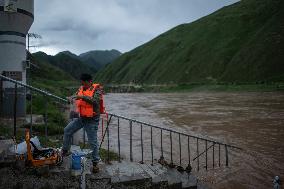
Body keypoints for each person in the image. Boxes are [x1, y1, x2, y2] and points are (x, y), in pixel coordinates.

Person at [62, 73, 102, 173]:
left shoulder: (97, 90)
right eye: (82, 83)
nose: (83, 85)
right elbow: (75, 96)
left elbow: (95, 101)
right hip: (82, 118)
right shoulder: (81, 88)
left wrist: (81, 97)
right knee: (67, 130)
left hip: (92, 120)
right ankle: (64, 151)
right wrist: (70, 98)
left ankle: (95, 163)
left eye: (85, 83)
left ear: (90, 81)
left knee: (92, 142)